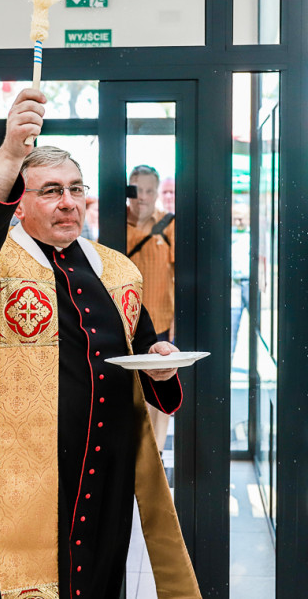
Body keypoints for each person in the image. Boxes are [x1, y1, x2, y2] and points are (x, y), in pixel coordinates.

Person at [0, 90, 199, 599]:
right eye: (51, 190)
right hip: (15, 470)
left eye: (76, 189)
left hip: (103, 466)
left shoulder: (115, 268)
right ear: (20, 203)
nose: (68, 202)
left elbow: (145, 350)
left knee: (98, 578)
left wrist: (162, 366)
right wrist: (10, 155)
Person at [126, 164, 176, 455]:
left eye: (148, 190)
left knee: (157, 392)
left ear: (157, 192)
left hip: (159, 323)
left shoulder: (169, 224)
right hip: (123, 324)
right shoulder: (115, 223)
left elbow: (179, 275)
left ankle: (153, 455)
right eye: (137, 190)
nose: (142, 197)